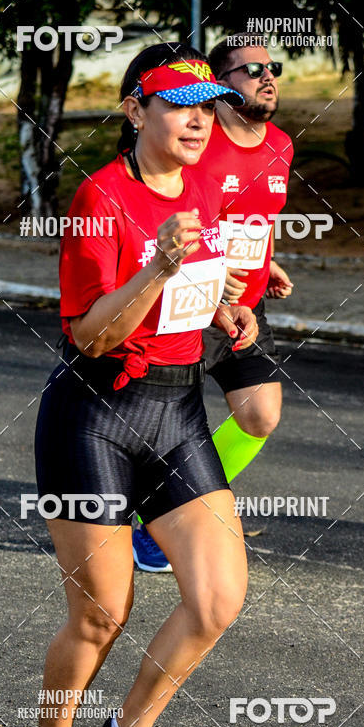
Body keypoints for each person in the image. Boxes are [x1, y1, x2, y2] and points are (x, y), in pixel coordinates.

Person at [19, 43, 259, 727]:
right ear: (135, 112)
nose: (198, 118)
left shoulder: (205, 191)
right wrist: (155, 268)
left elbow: (196, 290)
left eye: (206, 104)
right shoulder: (99, 197)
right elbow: (91, 336)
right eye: (178, 103)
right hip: (94, 414)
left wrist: (228, 308)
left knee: (218, 597)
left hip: (177, 408)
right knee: (100, 614)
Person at [133, 34, 294, 573]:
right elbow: (179, 211)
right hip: (193, 299)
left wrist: (265, 262)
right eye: (250, 70)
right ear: (219, 88)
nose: (266, 77)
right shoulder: (198, 146)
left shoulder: (282, 145)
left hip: (245, 305)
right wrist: (209, 268)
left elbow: (256, 218)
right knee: (169, 418)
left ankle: (168, 507)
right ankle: (159, 521)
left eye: (272, 67)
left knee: (259, 416)